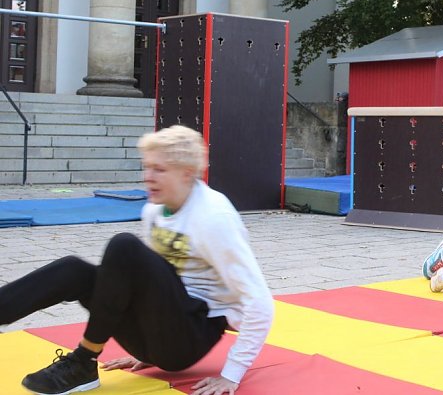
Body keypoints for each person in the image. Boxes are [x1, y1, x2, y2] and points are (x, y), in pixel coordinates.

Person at [0, 125, 275, 395]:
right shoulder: (154, 211)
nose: (148, 177)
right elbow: (148, 282)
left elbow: (260, 304)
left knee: (124, 247)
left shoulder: (214, 217)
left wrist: (232, 374)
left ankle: (83, 361)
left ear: (187, 174)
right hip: (157, 339)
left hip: (191, 337)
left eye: (159, 170)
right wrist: (149, 349)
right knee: (75, 271)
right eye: (146, 167)